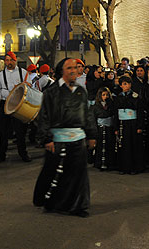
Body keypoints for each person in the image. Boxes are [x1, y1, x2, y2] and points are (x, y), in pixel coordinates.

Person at [33, 58, 96, 217]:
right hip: (58, 139)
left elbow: (87, 114)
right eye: (69, 68)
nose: (73, 70)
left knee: (78, 175)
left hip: (78, 139)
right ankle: (53, 203)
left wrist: (92, 135)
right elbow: (44, 116)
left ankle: (79, 206)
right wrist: (47, 139)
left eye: (75, 67)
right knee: (57, 173)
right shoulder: (51, 92)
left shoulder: (81, 91)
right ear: (62, 71)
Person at [0, 51, 31, 163]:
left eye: (11, 60)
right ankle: (1, 154)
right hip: (5, 104)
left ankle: (23, 154)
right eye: (7, 60)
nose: (9, 62)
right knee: (3, 131)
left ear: (15, 60)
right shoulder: (0, 75)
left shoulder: (24, 73)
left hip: (19, 105)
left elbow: (30, 88)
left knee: (20, 131)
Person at [114, 75, 145, 174]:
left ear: (130, 84)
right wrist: (116, 127)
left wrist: (140, 126)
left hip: (133, 123)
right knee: (123, 146)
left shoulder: (135, 96)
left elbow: (140, 112)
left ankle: (134, 168)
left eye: (126, 84)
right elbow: (115, 113)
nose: (125, 86)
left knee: (133, 145)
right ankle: (124, 167)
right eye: (122, 84)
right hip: (122, 123)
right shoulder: (119, 97)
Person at [92, 87, 116, 170]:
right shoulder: (95, 107)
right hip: (100, 128)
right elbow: (93, 119)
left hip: (109, 128)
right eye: (103, 95)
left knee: (110, 145)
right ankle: (99, 163)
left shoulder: (111, 105)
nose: (105, 97)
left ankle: (110, 163)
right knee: (100, 146)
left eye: (107, 95)